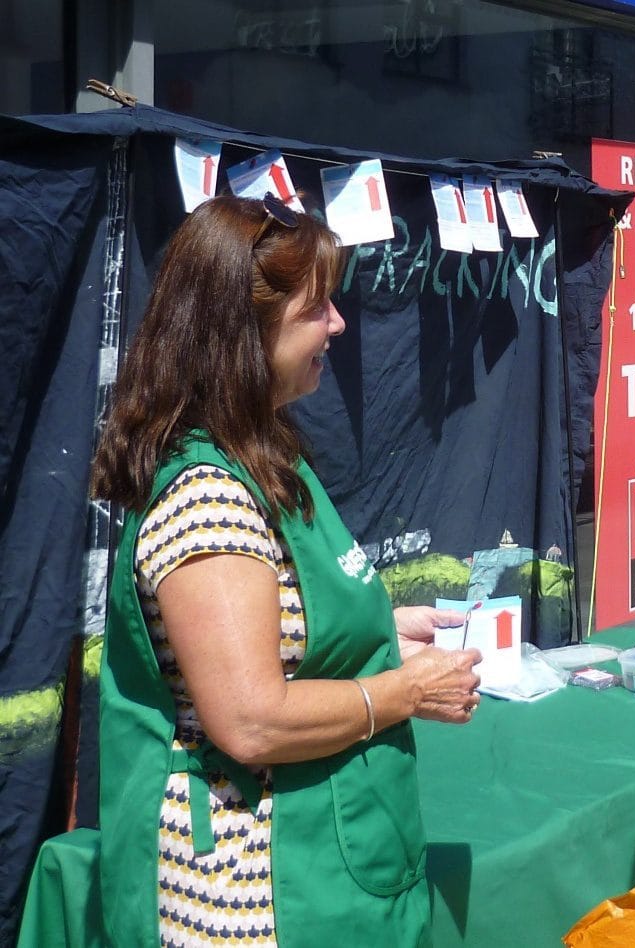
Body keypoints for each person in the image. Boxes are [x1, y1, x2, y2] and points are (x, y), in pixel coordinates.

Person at [89, 193, 483, 947]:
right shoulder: (207, 495)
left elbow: (278, 621)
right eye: (317, 309)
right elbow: (250, 721)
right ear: (246, 329)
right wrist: (402, 691)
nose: (337, 325)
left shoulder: (262, 451)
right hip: (249, 897)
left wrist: (377, 627)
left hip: (320, 852)